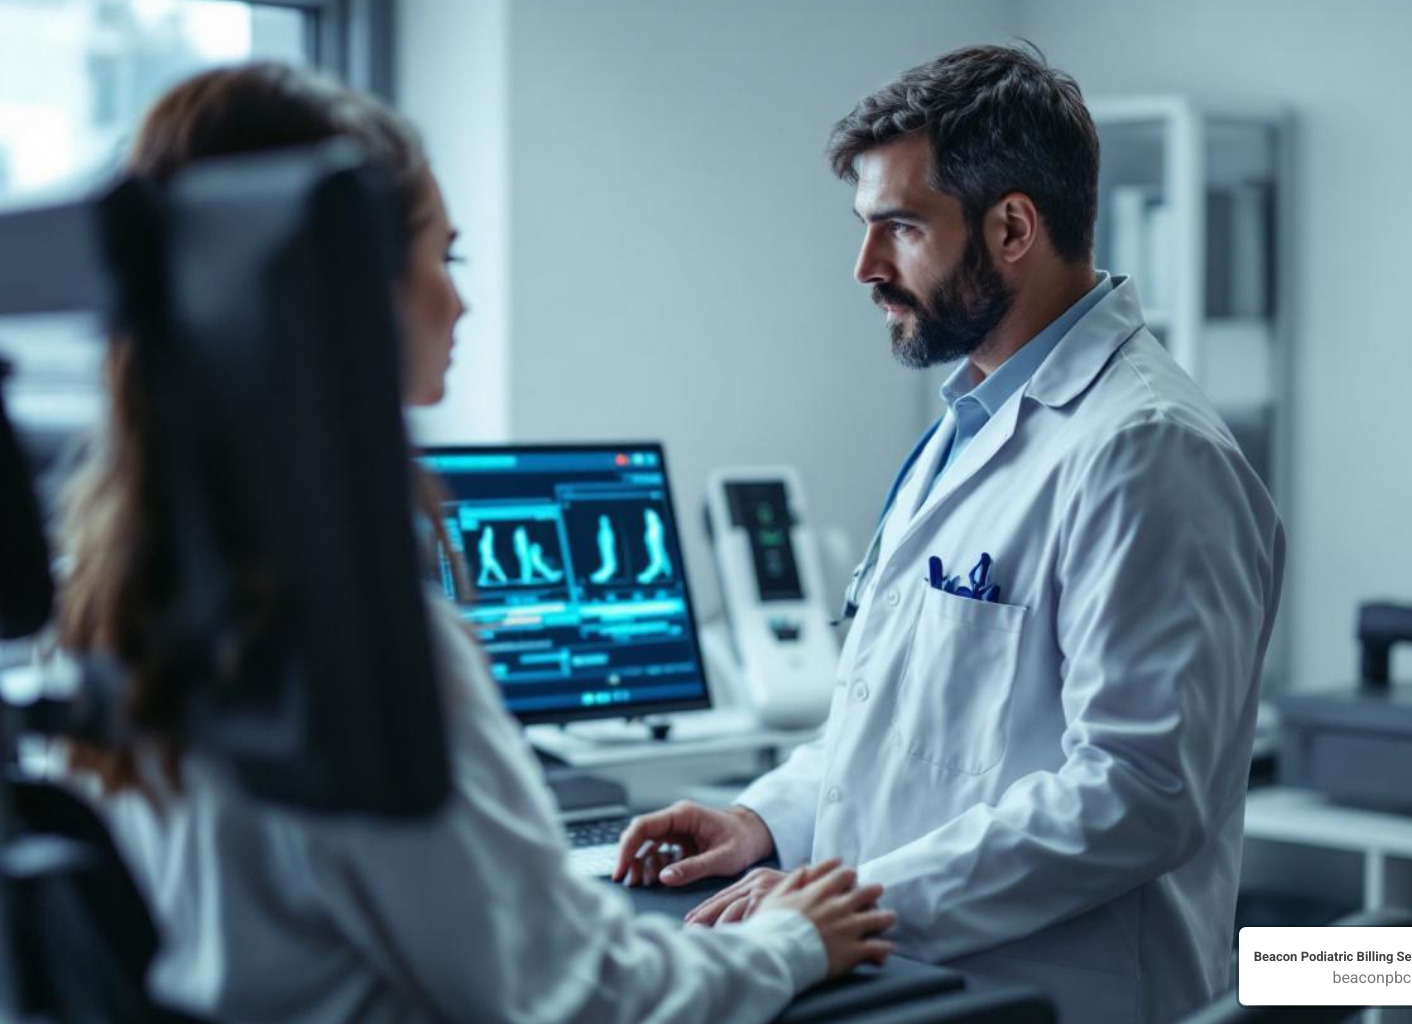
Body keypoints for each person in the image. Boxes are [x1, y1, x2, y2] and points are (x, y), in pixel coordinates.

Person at [56, 63, 894, 1024]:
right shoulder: (367, 653)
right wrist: (791, 939)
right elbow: (577, 999)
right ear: (346, 292)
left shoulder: (106, 620)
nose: (460, 305)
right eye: (443, 260)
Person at [613, 42, 1286, 1024]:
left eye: (899, 228)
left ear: (1013, 226)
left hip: (1056, 997)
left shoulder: (1146, 449)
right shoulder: (966, 421)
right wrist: (764, 820)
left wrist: (851, 904)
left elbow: (1138, 791)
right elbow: (899, 735)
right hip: (925, 983)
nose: (865, 267)